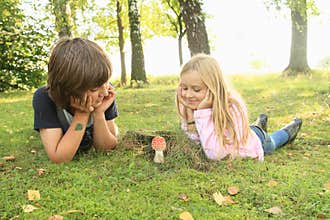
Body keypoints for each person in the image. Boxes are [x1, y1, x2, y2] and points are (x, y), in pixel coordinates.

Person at [176, 54, 302, 161]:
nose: (188, 94)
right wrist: (193, 116)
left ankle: (290, 130)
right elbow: (197, 144)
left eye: (196, 89)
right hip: (244, 132)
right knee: (253, 129)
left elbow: (214, 154)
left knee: (273, 141)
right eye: (185, 88)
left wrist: (203, 112)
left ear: (213, 88)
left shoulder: (232, 107)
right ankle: (259, 124)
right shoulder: (191, 106)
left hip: (256, 143)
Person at [33, 37, 118, 163]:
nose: (105, 92)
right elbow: (60, 157)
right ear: (69, 89)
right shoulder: (44, 97)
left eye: (105, 82)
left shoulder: (105, 93)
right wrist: (82, 115)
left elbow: (107, 147)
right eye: (94, 88)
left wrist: (99, 113)